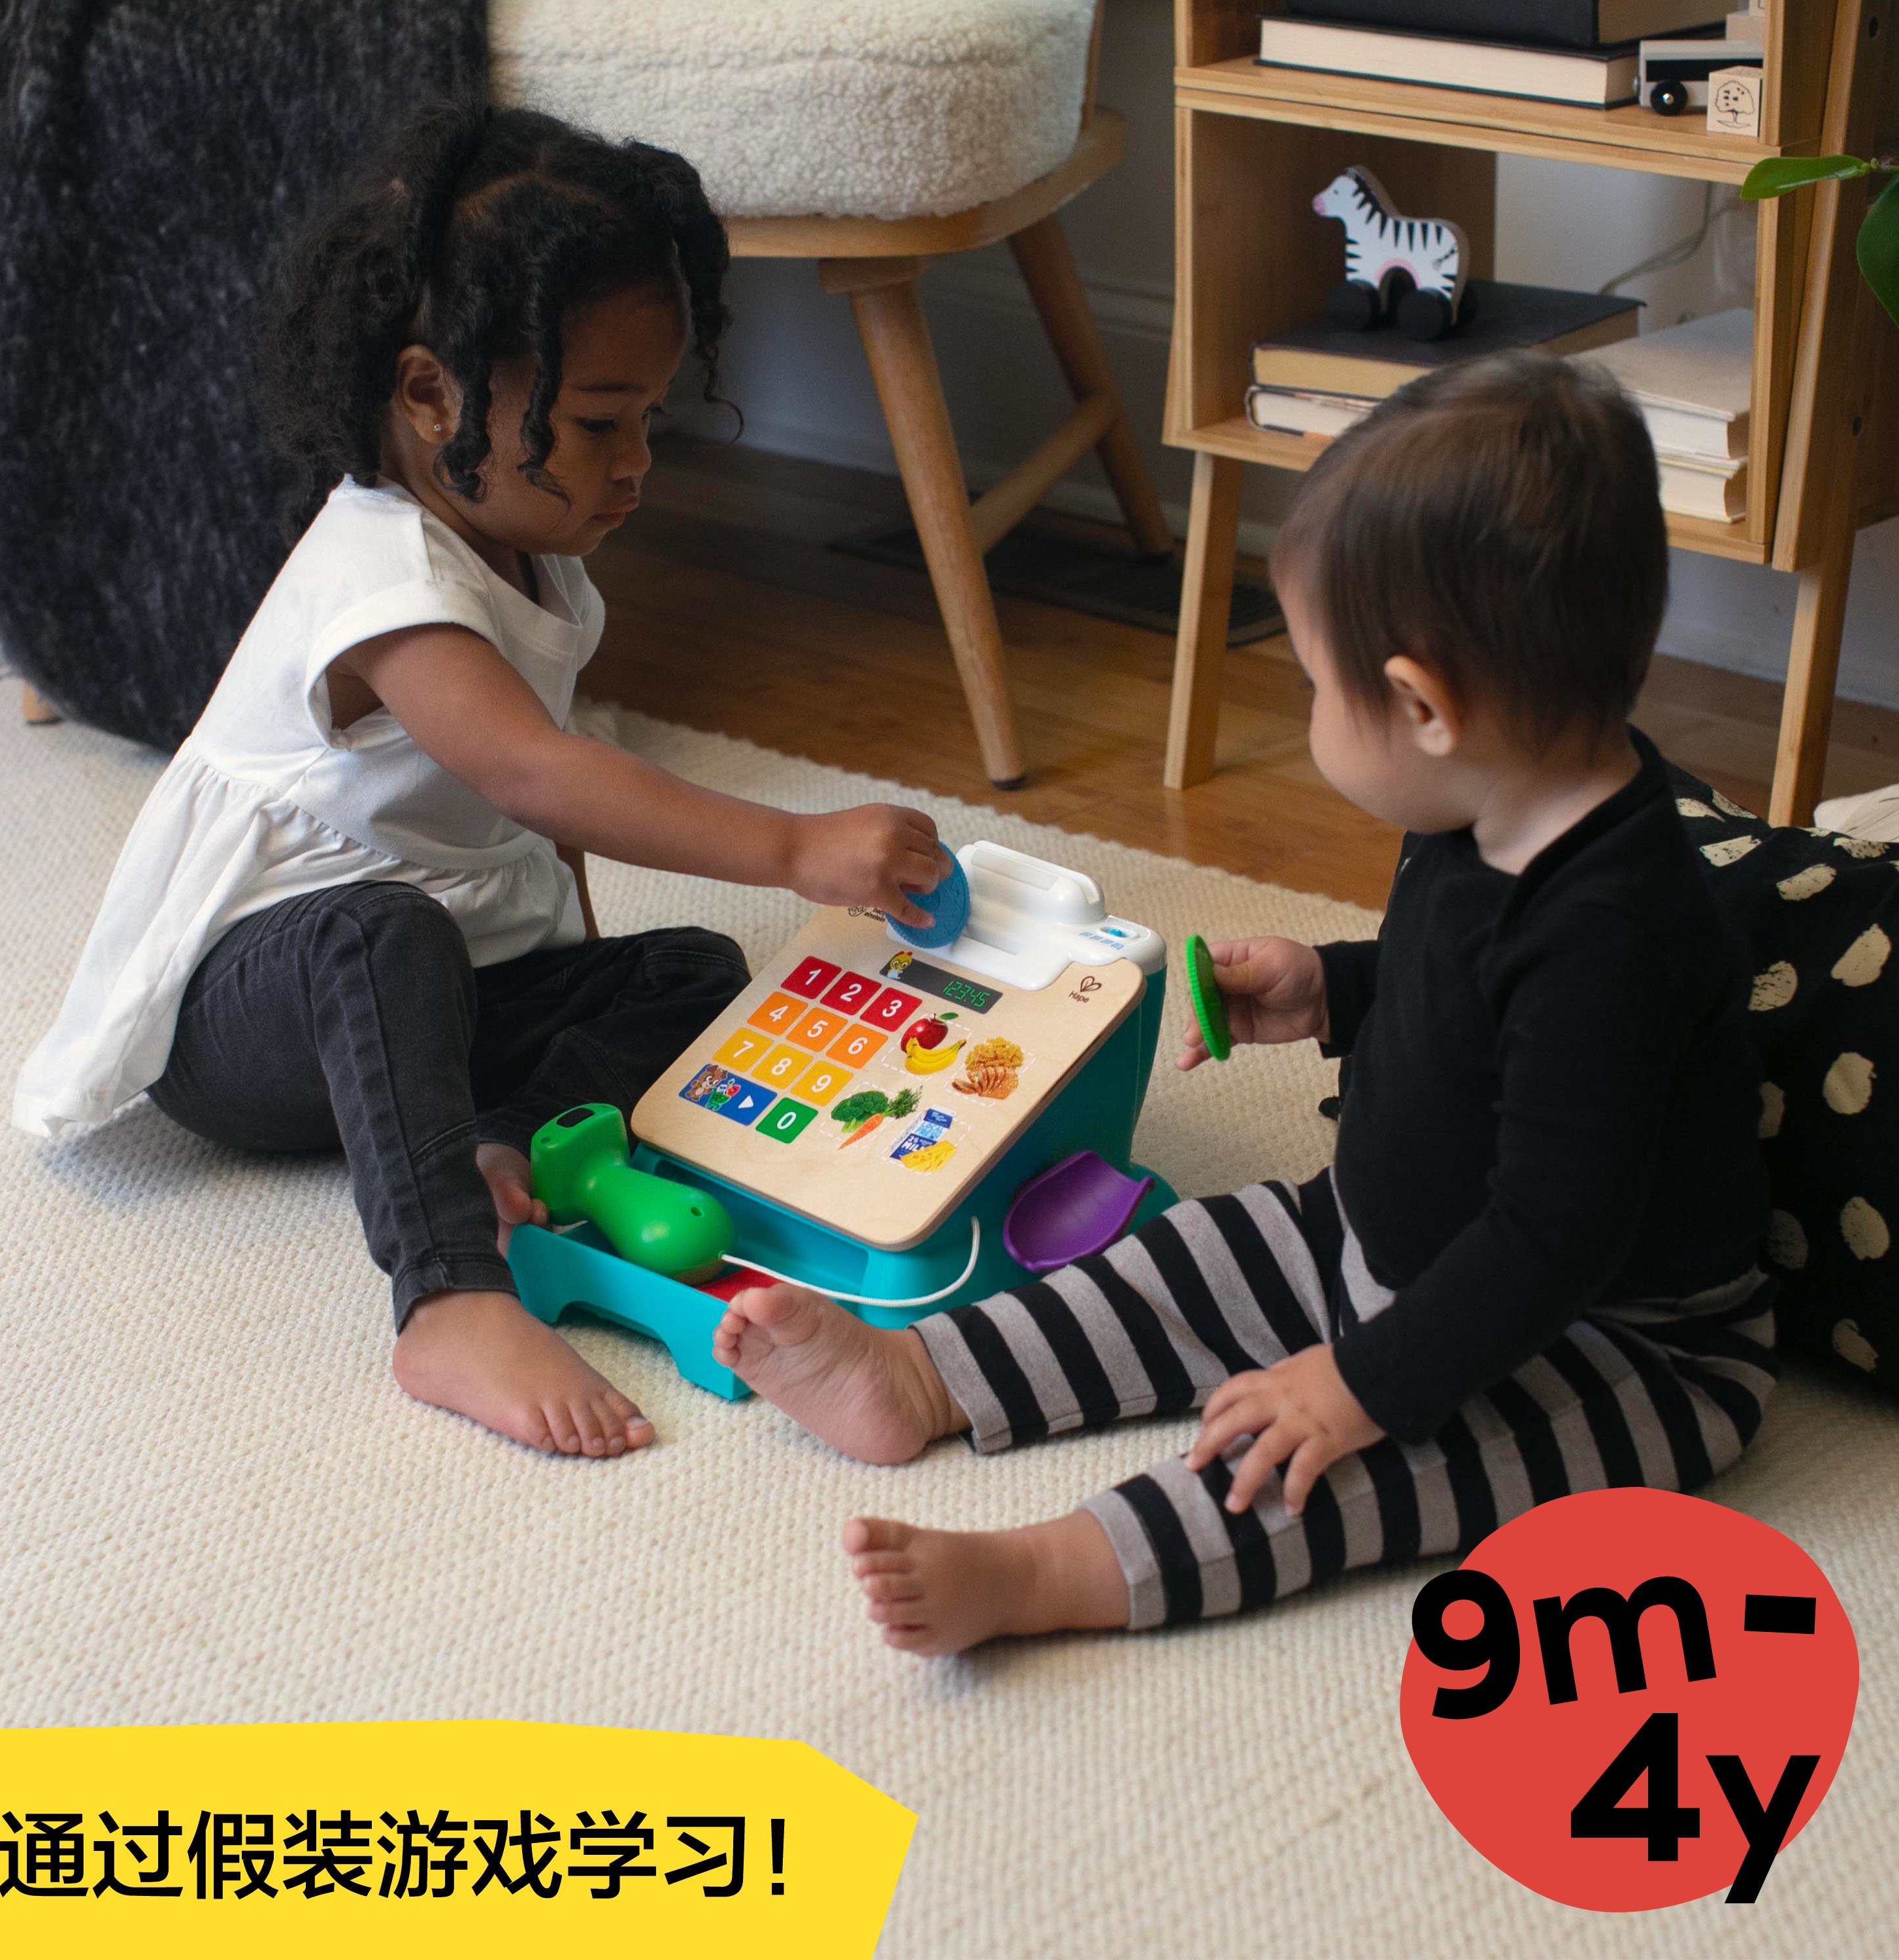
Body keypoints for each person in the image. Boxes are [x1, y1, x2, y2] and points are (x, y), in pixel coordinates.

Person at [713, 352, 1777, 1654]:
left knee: (1318, 1467)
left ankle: (1048, 1573)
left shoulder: (1617, 932)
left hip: (1612, 1344)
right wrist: (1336, 987)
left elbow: (1556, 1239)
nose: (1313, 710)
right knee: (1180, 1262)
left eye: (1318, 686)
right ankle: (922, 1376)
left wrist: (1360, 1384)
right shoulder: (1488, 796)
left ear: (1424, 706)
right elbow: (1468, 994)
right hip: (1385, 1240)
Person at [12, 102, 949, 1459]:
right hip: (251, 1013)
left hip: (438, 983)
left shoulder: (529, 557)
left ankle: (501, 1143)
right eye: (599, 422)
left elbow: (540, 825)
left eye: (650, 421)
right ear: (430, 396)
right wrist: (799, 848)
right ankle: (447, 1295)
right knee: (383, 934)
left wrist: (580, 966)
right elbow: (534, 774)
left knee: (689, 970)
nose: (637, 463)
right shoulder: (381, 577)